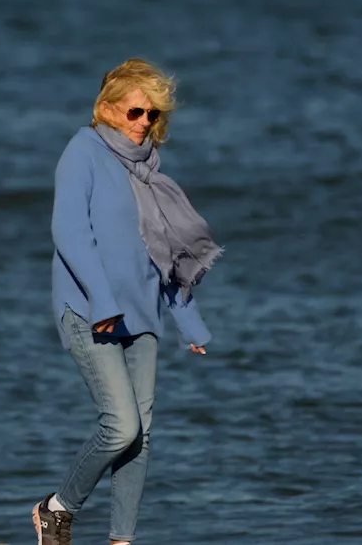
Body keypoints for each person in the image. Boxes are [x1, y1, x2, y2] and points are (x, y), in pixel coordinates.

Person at [33, 58, 222, 545]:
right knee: (120, 425)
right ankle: (57, 508)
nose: (144, 124)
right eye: (136, 112)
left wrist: (189, 320)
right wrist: (102, 302)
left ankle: (122, 540)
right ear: (107, 109)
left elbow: (163, 257)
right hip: (90, 312)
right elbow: (69, 234)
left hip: (143, 317)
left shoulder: (150, 172)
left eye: (154, 115)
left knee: (140, 437)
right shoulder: (83, 151)